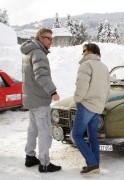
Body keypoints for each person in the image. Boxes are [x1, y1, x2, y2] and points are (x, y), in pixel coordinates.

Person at [21, 28, 62, 173]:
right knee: (44, 131)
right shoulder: (38, 53)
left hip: (31, 98)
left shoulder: (29, 52)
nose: (51, 41)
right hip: (39, 99)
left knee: (33, 130)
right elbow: (41, 75)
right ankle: (44, 163)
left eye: (52, 38)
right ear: (40, 38)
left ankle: (30, 156)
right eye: (49, 38)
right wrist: (53, 92)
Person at [72, 43, 110, 175]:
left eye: (84, 50)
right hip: (98, 106)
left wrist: (77, 99)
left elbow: (82, 86)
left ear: (90, 52)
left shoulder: (86, 65)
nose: (82, 53)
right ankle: (95, 165)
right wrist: (102, 103)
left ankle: (92, 163)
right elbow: (107, 89)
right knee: (93, 136)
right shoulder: (104, 67)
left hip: (86, 104)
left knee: (76, 135)